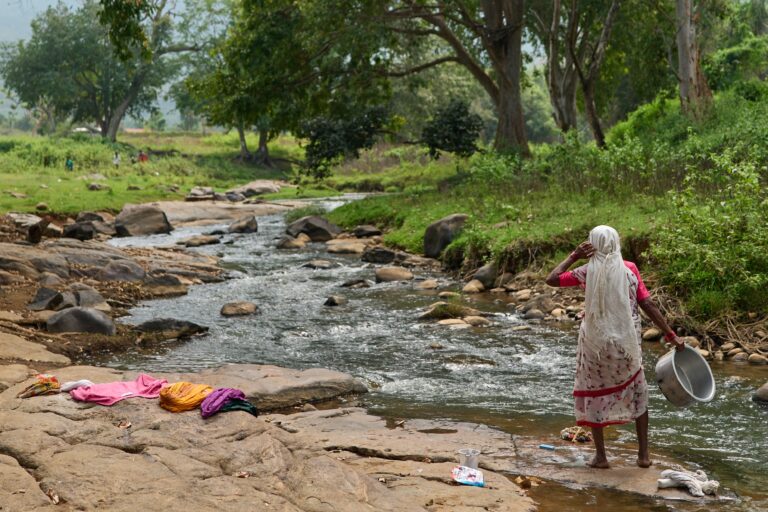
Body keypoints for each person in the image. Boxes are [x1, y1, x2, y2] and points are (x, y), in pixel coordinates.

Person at [546, 225, 683, 469]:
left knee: (596, 396)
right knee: (638, 394)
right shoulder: (629, 269)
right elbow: (648, 304)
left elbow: (552, 279)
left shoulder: (586, 271)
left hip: (595, 347)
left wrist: (574, 255)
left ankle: (601, 457)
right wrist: (671, 335)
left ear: (593, 245)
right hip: (626, 345)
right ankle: (643, 456)